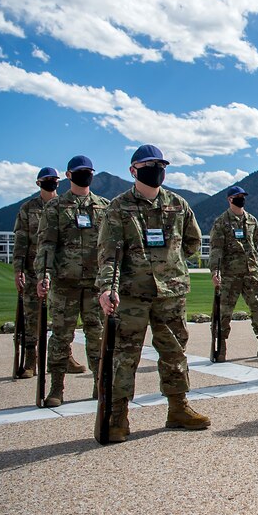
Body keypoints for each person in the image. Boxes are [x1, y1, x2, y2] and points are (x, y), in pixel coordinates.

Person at [96, 144, 209, 442]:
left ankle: (178, 408)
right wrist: (107, 288)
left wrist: (171, 265)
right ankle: (117, 416)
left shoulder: (177, 204)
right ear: (133, 170)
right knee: (124, 355)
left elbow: (192, 242)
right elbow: (108, 253)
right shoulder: (118, 208)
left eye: (160, 164)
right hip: (132, 294)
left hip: (171, 293)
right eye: (148, 164)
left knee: (174, 352)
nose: (156, 169)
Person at [34, 155, 108, 406]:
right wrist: (43, 275)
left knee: (97, 335)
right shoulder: (55, 207)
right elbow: (46, 244)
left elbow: (109, 246)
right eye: (80, 171)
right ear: (68, 175)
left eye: (88, 171)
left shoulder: (103, 206)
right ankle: (56, 387)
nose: (85, 175)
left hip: (95, 285)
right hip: (65, 282)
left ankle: (99, 384)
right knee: (61, 336)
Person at [209, 185, 258, 361]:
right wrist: (215, 271)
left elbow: (254, 244)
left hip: (251, 273)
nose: (241, 198)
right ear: (229, 199)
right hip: (230, 274)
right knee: (224, 311)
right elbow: (216, 249)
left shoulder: (252, 221)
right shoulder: (221, 222)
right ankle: (221, 345)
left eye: (242, 196)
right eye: (237, 196)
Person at [12, 166, 59, 379]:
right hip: (33, 271)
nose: (51, 182)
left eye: (54, 179)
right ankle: (31, 359)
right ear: (39, 183)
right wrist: (18, 270)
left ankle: (64, 356)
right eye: (47, 179)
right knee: (31, 316)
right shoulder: (28, 208)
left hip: (60, 271)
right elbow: (21, 242)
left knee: (61, 317)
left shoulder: (64, 205)